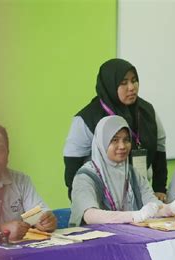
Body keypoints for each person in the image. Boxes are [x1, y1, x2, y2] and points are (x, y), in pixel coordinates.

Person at [64, 58, 168, 201]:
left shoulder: (147, 111)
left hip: (142, 194)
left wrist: (159, 188)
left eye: (134, 80)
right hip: (101, 199)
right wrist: (82, 200)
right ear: (110, 85)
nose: (131, 87)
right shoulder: (87, 118)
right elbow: (72, 166)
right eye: (123, 83)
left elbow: (159, 150)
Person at [69, 115, 175, 226]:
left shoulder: (132, 173)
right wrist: (134, 216)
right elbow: (89, 215)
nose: (122, 146)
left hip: (127, 237)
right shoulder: (85, 176)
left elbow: (151, 205)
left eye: (126, 140)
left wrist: (170, 209)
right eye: (114, 140)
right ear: (102, 143)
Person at [0, 121, 57, 241]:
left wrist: (46, 222)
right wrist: (1, 230)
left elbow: (38, 215)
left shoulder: (20, 181)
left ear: (8, 154)